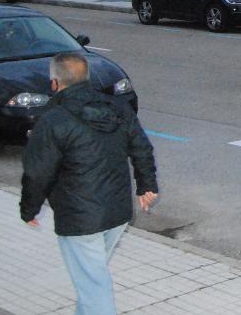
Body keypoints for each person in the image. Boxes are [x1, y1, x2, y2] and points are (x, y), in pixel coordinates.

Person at [20, 52, 158, 315]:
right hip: (116, 214)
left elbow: (38, 172)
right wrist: (146, 186)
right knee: (92, 279)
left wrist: (29, 209)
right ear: (86, 78)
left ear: (54, 83)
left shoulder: (52, 119)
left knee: (94, 285)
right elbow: (141, 147)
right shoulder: (118, 107)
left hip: (79, 218)